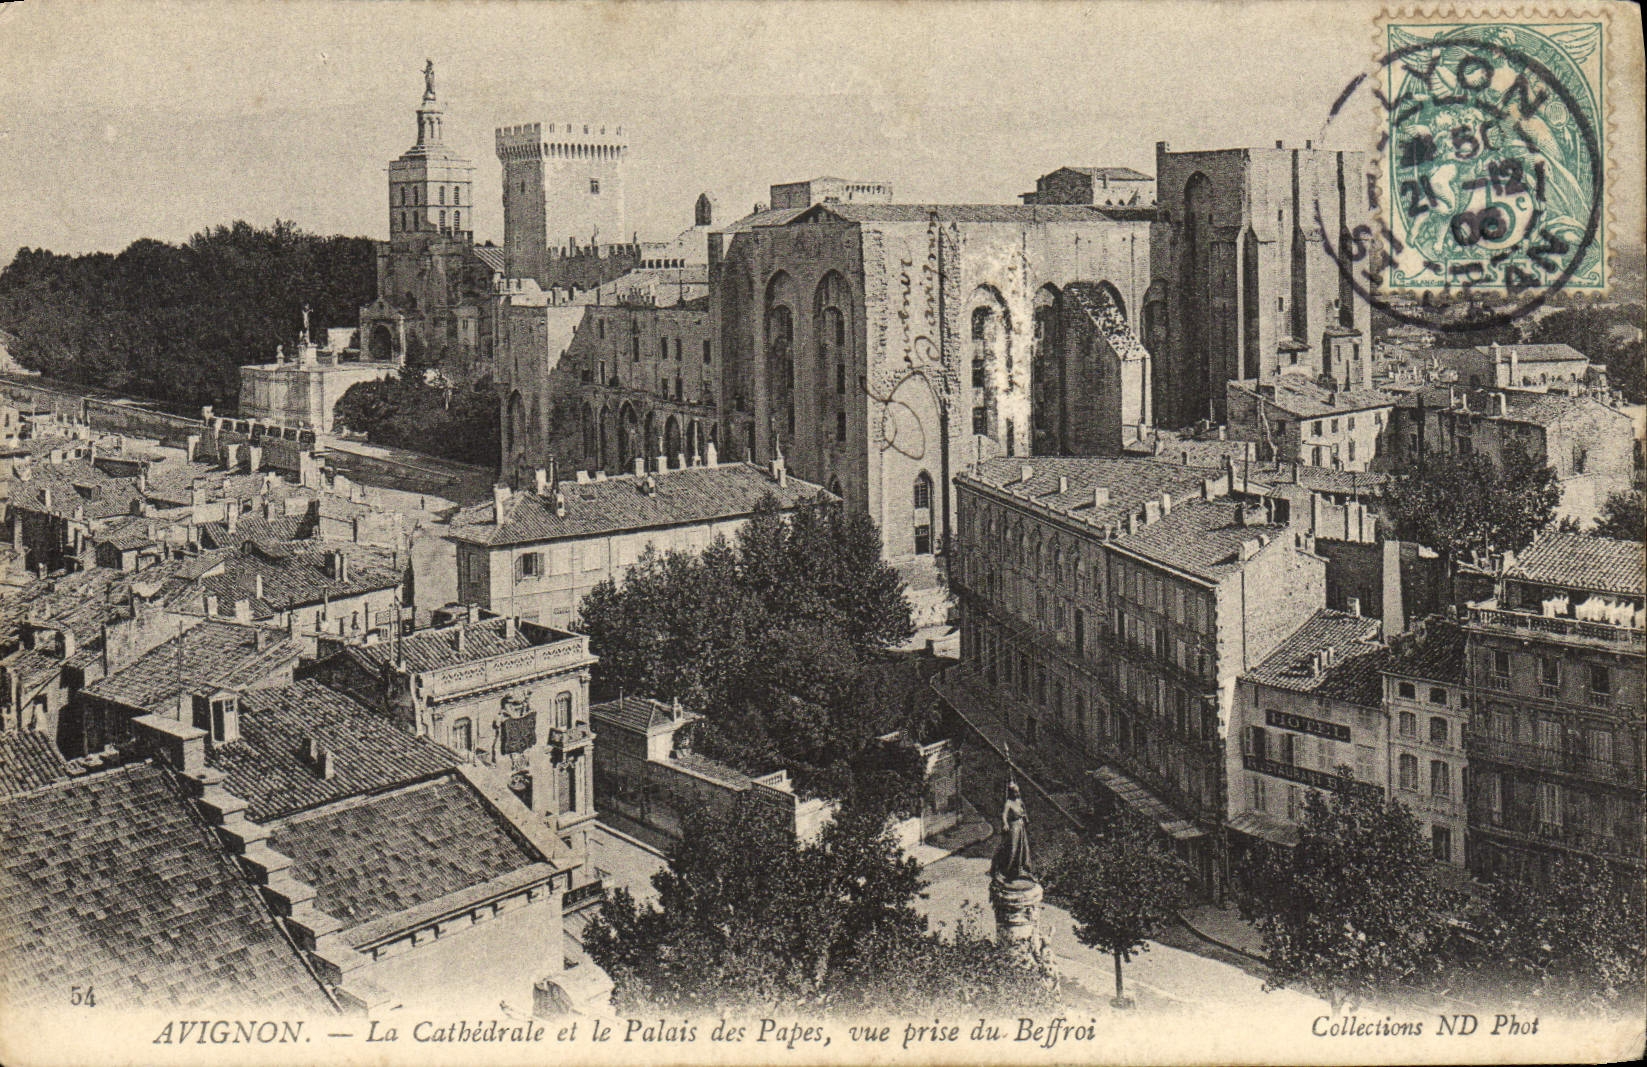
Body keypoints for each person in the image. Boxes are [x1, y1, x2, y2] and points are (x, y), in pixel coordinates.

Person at [990, 780, 1033, 883]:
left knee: (1023, 847)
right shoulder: (1008, 803)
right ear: (1011, 792)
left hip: (1021, 825)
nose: (1017, 794)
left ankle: (1021, 869)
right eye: (1015, 792)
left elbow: (1024, 810)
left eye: (1018, 792)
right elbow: (1004, 815)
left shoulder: (1019, 801)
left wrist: (1025, 817)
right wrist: (1005, 823)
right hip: (1014, 826)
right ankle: (1006, 871)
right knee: (1013, 848)